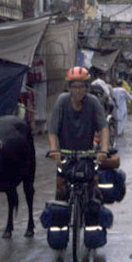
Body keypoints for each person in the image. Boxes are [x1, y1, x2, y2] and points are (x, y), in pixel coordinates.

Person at [47, 66, 109, 200]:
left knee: (94, 192)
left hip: (87, 155)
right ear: (69, 88)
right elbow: (52, 130)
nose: (78, 90)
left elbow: (103, 128)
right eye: (74, 87)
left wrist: (103, 150)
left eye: (81, 86)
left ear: (87, 87)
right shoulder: (62, 101)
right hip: (66, 156)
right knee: (61, 192)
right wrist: (54, 150)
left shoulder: (93, 102)